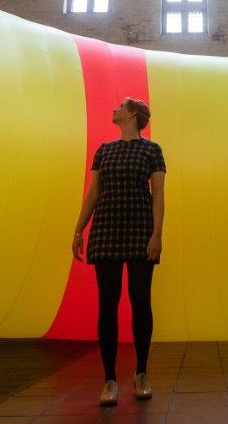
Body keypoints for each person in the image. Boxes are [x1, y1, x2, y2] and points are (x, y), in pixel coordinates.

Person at [71, 97, 166, 407]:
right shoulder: (104, 150)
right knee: (108, 304)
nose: (114, 109)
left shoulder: (152, 150)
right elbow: (93, 193)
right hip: (106, 231)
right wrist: (79, 229)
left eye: (120, 107)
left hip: (140, 231)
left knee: (141, 301)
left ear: (133, 114)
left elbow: (158, 196)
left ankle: (142, 373)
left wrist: (156, 235)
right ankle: (110, 379)